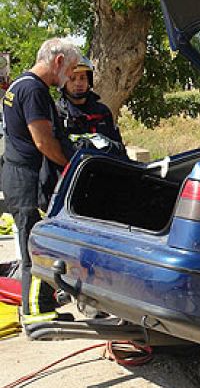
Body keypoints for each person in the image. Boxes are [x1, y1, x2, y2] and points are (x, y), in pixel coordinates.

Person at [1, 38, 81, 325]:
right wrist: (70, 166)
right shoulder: (34, 90)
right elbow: (43, 141)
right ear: (57, 61)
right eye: (70, 69)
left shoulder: (20, 84)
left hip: (16, 174)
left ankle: (38, 307)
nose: (70, 76)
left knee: (33, 240)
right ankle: (38, 313)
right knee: (35, 243)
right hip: (26, 178)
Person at [56, 56, 127, 159]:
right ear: (63, 83)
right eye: (72, 78)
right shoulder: (57, 113)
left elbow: (120, 150)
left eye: (82, 78)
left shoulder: (103, 112)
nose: (78, 83)